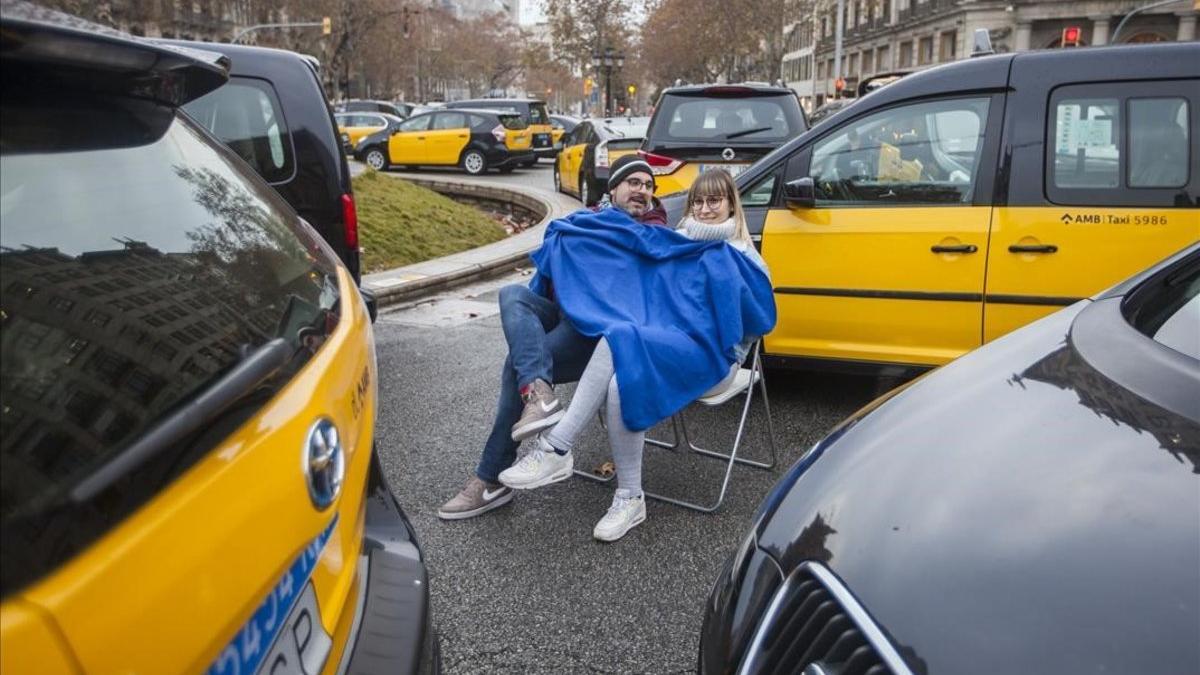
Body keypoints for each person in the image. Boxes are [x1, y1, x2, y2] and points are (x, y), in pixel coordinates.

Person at [498, 169, 772, 541]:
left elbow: (757, 323)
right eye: (699, 202)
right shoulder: (675, 241)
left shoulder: (744, 257)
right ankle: (629, 496)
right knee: (620, 370)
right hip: (667, 341)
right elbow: (645, 288)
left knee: (623, 344)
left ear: (730, 205)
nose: (706, 209)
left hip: (714, 357)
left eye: (715, 201)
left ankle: (557, 447)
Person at [437, 155, 667, 520]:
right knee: (512, 295)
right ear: (614, 189)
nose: (643, 191)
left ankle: (491, 476)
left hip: (598, 335)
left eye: (648, 186)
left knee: (517, 364)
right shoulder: (584, 223)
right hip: (563, 311)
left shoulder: (654, 234)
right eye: (634, 183)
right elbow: (550, 272)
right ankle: (538, 391)